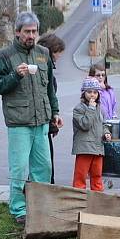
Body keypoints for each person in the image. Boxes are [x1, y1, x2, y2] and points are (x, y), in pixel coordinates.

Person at [0, 11, 63, 226]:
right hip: (19, 122)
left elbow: (49, 88)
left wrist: (55, 113)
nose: (31, 35)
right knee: (19, 168)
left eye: (34, 31)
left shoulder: (43, 54)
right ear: (17, 32)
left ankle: (40, 206)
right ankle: (19, 209)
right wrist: (15, 76)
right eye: (27, 32)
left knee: (44, 167)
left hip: (41, 121)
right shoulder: (5, 55)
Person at [72, 77, 112, 191]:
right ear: (84, 93)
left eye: (95, 92)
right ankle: (78, 197)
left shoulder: (100, 108)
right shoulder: (78, 109)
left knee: (97, 175)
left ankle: (98, 197)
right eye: (89, 92)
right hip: (84, 148)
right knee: (80, 176)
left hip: (98, 147)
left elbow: (103, 124)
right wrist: (91, 108)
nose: (92, 95)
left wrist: (106, 133)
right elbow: (85, 124)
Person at [38, 33, 66, 185]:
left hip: (45, 124)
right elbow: (45, 101)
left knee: (45, 162)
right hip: (41, 125)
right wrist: (51, 124)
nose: (59, 57)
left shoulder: (46, 70)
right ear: (51, 51)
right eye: (57, 53)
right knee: (45, 163)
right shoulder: (44, 72)